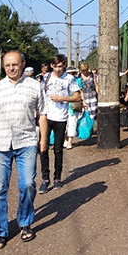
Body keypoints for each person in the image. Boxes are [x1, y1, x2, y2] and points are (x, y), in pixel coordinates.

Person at [0, 50, 48, 250]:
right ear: (3, 67)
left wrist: (44, 140)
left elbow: (43, 115)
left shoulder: (35, 86)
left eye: (14, 64)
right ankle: (1, 232)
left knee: (28, 184)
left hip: (26, 142)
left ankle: (25, 223)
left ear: (22, 64)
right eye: (7, 66)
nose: (11, 68)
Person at [39, 54, 80, 194]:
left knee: (57, 149)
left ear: (64, 66)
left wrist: (62, 98)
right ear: (51, 66)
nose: (57, 69)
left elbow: (77, 97)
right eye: (55, 66)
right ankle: (45, 178)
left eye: (60, 66)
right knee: (43, 147)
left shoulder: (70, 79)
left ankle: (57, 178)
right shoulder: (46, 77)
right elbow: (40, 94)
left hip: (61, 117)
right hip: (45, 116)